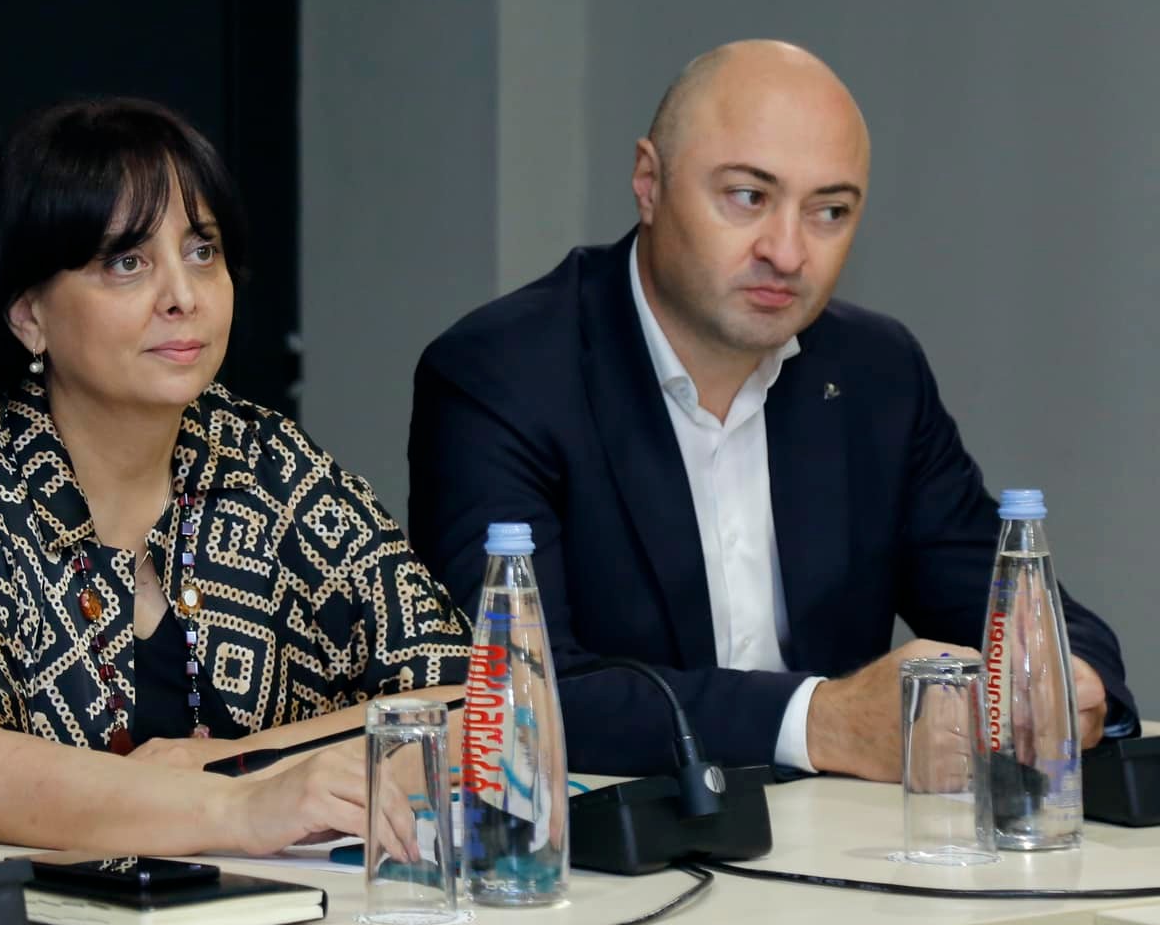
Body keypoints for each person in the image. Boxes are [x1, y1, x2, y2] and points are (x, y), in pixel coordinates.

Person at [409, 40, 1138, 779]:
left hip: (842, 833)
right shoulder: (503, 374)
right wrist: (820, 723)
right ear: (649, 183)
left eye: (829, 211)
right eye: (749, 197)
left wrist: (1068, 681)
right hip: (617, 836)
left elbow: (1011, 603)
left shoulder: (876, 372)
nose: (787, 253)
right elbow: (509, 694)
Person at [0, 98, 470, 854]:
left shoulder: (264, 461)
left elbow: (490, 707)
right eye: (127, 262)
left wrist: (231, 765)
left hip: (283, 911)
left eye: (202, 251)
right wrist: (240, 808)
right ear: (29, 316)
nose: (183, 296)